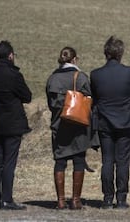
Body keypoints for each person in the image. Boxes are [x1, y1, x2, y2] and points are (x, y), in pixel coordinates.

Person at [90, 36, 130, 209]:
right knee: (123, 161)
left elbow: (94, 97)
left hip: (105, 121)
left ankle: (106, 198)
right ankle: (121, 198)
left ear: (105, 53)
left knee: (107, 160)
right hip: (126, 121)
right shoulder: (129, 72)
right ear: (120, 53)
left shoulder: (96, 74)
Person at [0, 40, 32, 210]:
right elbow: (27, 96)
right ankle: (6, 199)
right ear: (10, 55)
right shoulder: (14, 75)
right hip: (13, 123)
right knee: (9, 161)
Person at [46, 47, 92, 210]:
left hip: (59, 124)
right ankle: (76, 200)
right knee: (79, 161)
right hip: (78, 125)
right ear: (74, 60)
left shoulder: (52, 78)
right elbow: (89, 100)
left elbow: (50, 104)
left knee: (60, 161)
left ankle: (60, 201)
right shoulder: (81, 77)